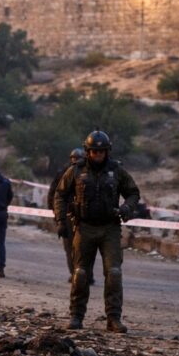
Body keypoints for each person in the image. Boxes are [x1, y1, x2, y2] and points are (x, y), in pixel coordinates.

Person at [54, 131, 139, 333]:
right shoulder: (76, 170)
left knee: (114, 273)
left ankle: (113, 318)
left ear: (107, 151)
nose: (97, 154)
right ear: (88, 151)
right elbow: (60, 194)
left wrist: (127, 208)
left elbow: (133, 192)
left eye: (101, 151)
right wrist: (60, 220)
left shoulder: (116, 170)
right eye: (94, 151)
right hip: (84, 227)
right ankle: (76, 315)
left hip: (110, 228)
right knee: (80, 273)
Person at [49, 147, 93, 282]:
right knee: (84, 247)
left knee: (71, 247)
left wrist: (57, 215)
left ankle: (76, 274)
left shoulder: (64, 172)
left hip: (73, 216)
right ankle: (85, 275)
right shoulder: (87, 171)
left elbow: (53, 195)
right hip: (80, 216)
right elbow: (55, 195)